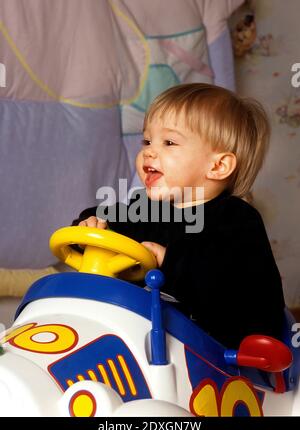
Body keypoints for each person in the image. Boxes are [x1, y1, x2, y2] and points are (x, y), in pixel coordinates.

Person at [72, 83, 285, 349]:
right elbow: (107, 217)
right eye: (147, 141)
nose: (149, 151)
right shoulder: (144, 209)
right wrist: (91, 226)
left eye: (169, 142)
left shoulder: (236, 220)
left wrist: (168, 261)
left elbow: (232, 289)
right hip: (144, 343)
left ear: (218, 166)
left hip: (218, 356)